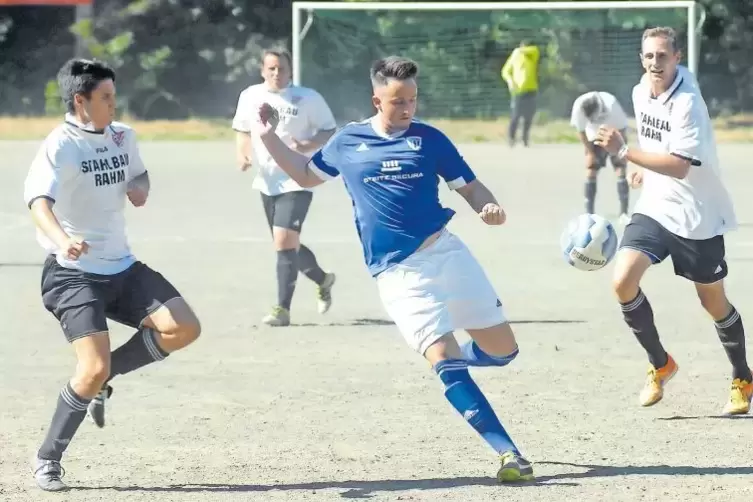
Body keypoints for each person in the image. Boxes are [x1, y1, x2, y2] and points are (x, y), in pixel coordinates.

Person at [255, 55, 534, 482]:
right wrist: (268, 136)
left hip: (447, 254)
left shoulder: (430, 139)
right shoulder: (348, 142)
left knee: (504, 352)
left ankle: (468, 360)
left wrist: (487, 207)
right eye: (397, 101)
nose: (407, 109)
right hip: (397, 273)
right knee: (443, 359)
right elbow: (306, 175)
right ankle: (509, 454)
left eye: (412, 101)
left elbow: (470, 186)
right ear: (376, 99)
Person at [24, 58, 202, 492]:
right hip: (72, 274)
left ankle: (107, 378)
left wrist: (140, 187)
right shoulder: (60, 144)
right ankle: (48, 458)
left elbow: (136, 171)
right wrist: (62, 238)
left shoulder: (124, 135)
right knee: (90, 369)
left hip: (122, 266)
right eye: (105, 97)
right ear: (80, 101)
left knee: (184, 327)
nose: (114, 103)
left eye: (113, 95)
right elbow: (37, 202)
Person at [595, 27, 751, 415]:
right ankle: (660, 363)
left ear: (677, 57)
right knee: (622, 281)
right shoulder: (640, 90)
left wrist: (627, 153)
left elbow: (680, 166)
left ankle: (743, 377)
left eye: (662, 56)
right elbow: (657, 145)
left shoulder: (689, 103)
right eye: (648, 56)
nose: (654, 63)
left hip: (697, 216)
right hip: (656, 206)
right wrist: (645, 169)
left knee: (712, 302)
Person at [232, 49, 337, 326]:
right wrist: (242, 153)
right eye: (272, 68)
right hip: (266, 180)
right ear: (262, 70)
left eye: (282, 68)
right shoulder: (250, 96)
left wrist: (309, 144)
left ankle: (282, 310)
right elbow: (243, 129)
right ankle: (323, 279)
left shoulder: (308, 98)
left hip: (298, 177)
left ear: (291, 71)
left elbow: (329, 129)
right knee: (286, 245)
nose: (277, 73)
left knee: (283, 241)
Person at [570, 91, 631, 223]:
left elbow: (622, 129)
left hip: (614, 133)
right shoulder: (579, 106)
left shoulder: (611, 104)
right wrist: (590, 152)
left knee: (620, 168)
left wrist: (622, 151)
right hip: (593, 135)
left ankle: (623, 212)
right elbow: (581, 132)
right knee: (591, 169)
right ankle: (589, 213)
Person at [501, 40, 539, 147]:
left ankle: (525, 139)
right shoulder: (515, 56)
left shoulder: (532, 54)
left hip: (531, 90)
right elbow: (505, 71)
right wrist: (510, 81)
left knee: (529, 116)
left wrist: (519, 50)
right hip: (518, 91)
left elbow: (534, 49)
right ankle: (511, 138)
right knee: (515, 116)